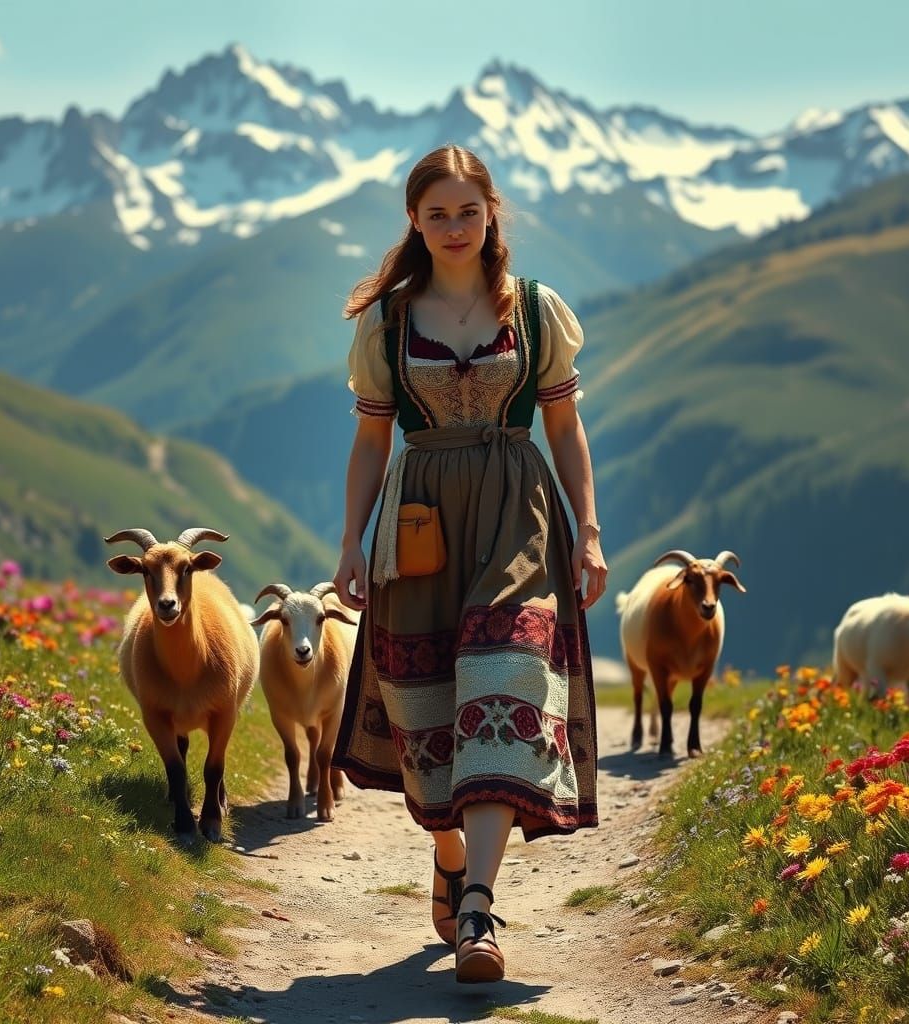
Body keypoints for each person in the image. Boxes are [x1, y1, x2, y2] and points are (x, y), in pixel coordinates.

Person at [332, 144, 607, 984]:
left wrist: (588, 530)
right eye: (437, 213)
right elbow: (372, 438)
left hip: (517, 514)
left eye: (468, 211)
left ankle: (479, 909)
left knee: (509, 678)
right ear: (414, 221)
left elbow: (562, 428)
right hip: (418, 525)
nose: (454, 227)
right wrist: (350, 540)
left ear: (493, 214)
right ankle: (449, 852)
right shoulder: (387, 321)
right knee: (429, 718)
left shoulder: (534, 309)